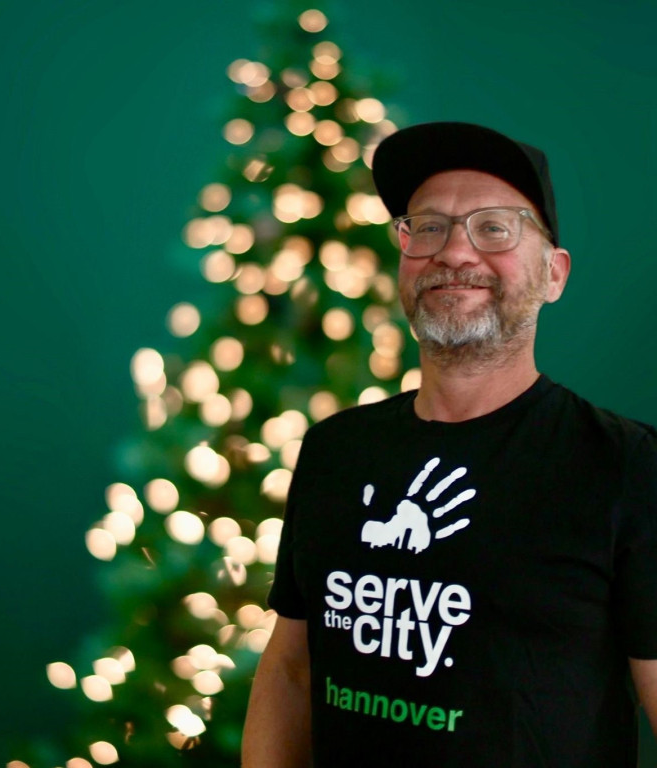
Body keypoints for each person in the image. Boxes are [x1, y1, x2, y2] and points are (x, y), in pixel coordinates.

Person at [241, 122, 657, 767]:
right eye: (428, 227)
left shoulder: (629, 466)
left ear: (554, 273)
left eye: (494, 228)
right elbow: (293, 669)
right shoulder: (333, 450)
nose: (453, 253)